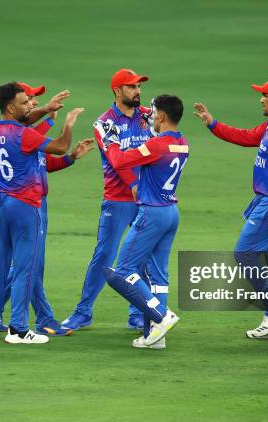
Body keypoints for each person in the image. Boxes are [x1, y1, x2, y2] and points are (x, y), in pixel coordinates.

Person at [0, 82, 93, 338]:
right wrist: (68, 123)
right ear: (11, 106)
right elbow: (59, 145)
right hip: (25, 205)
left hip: (0, 203)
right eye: (25, 102)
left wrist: (49, 114)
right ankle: (18, 329)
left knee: (0, 266)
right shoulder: (23, 135)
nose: (31, 106)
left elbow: (41, 152)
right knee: (26, 269)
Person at [193, 77, 268, 339]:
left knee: (244, 254)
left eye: (264, 95)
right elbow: (245, 137)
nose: (261, 99)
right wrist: (213, 124)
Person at [62, 69, 154, 331]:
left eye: (138, 86)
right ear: (117, 91)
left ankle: (138, 312)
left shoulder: (149, 117)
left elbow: (161, 151)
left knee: (142, 256)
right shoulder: (104, 123)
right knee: (105, 254)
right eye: (131, 87)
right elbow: (117, 161)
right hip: (119, 199)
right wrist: (135, 184)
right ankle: (83, 312)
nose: (137, 91)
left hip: (148, 200)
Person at [102, 94, 188, 349]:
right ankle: (156, 337)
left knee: (124, 270)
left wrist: (112, 139)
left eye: (152, 112)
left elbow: (118, 161)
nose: (149, 115)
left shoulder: (156, 146)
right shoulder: (183, 143)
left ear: (162, 116)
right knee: (159, 277)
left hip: (151, 213)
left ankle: (161, 317)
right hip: (170, 211)